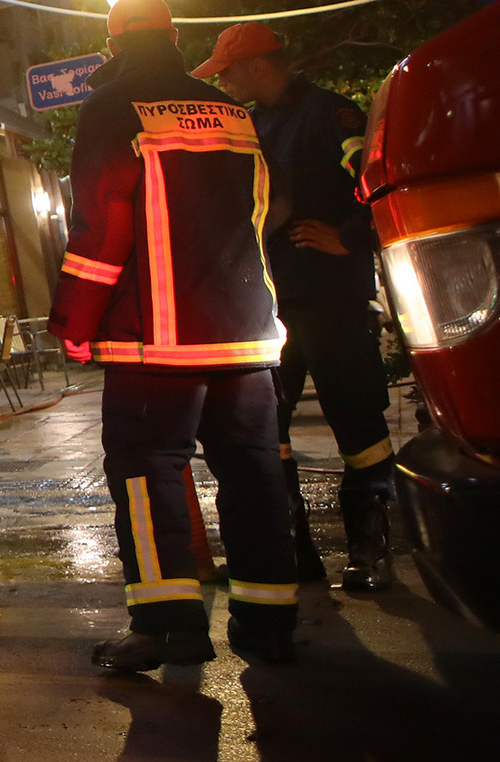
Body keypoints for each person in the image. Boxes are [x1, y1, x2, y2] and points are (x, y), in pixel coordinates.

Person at [48, 0, 300, 670]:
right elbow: (268, 207)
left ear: (113, 44)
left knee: (146, 472)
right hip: (246, 335)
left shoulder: (111, 108)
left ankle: (167, 627)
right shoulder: (231, 110)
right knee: (253, 473)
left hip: (155, 341)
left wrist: (74, 323)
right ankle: (269, 622)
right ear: (175, 38)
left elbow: (102, 226)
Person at [193, 22, 395, 590]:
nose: (224, 83)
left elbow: (379, 183)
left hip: (333, 301)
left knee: (357, 419)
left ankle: (369, 551)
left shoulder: (331, 114)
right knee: (266, 430)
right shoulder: (249, 124)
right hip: (272, 306)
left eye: (228, 72)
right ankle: (292, 552)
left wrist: (349, 237)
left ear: (259, 65)